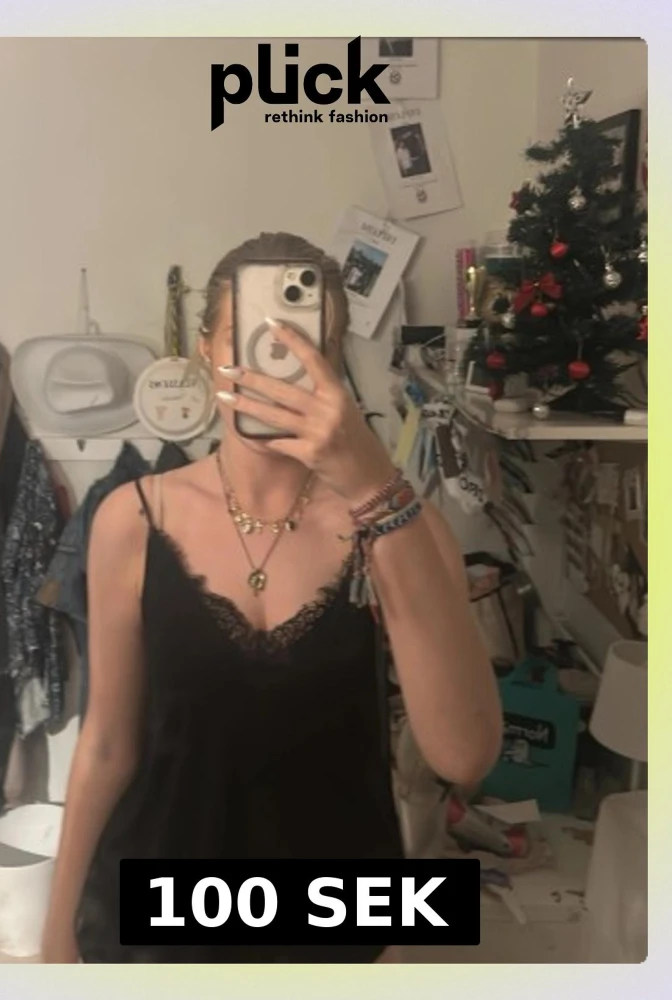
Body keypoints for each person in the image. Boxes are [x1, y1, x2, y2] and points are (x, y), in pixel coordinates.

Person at [40, 232, 502, 964]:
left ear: (335, 360)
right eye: (251, 340)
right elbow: (105, 743)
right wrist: (57, 928)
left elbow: (465, 756)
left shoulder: (399, 522)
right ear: (206, 349)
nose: (274, 366)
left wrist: (376, 489)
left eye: (305, 344)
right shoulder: (132, 517)